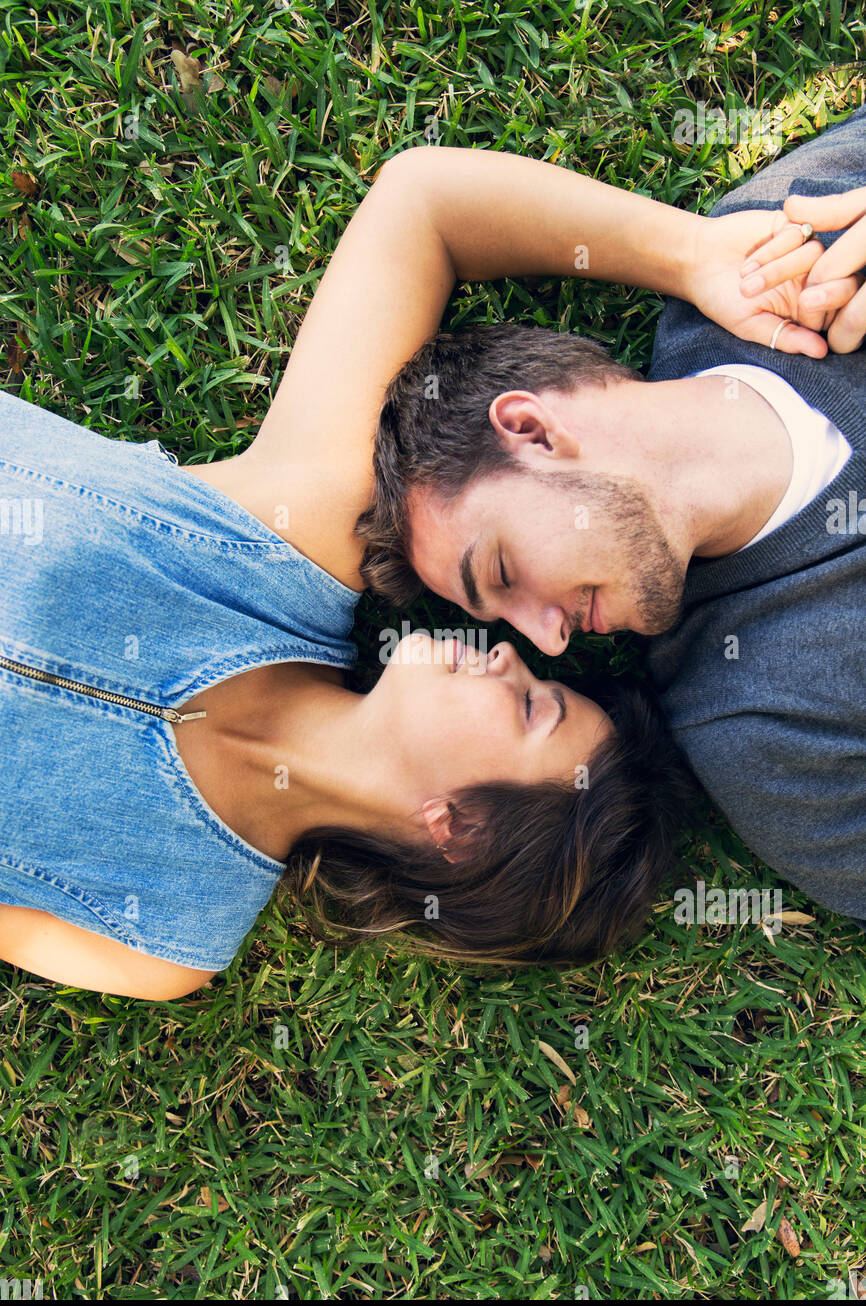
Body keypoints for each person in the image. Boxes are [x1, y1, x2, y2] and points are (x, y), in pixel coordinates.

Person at [0, 138, 818, 1002]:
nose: (512, 653)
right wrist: (697, 254)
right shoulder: (293, 540)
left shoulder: (163, 935)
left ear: (454, 831)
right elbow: (426, 207)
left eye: (536, 707)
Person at [364, 103, 866, 928]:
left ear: (530, 430)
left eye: (502, 574)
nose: (553, 640)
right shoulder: (763, 734)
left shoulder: (778, 235)